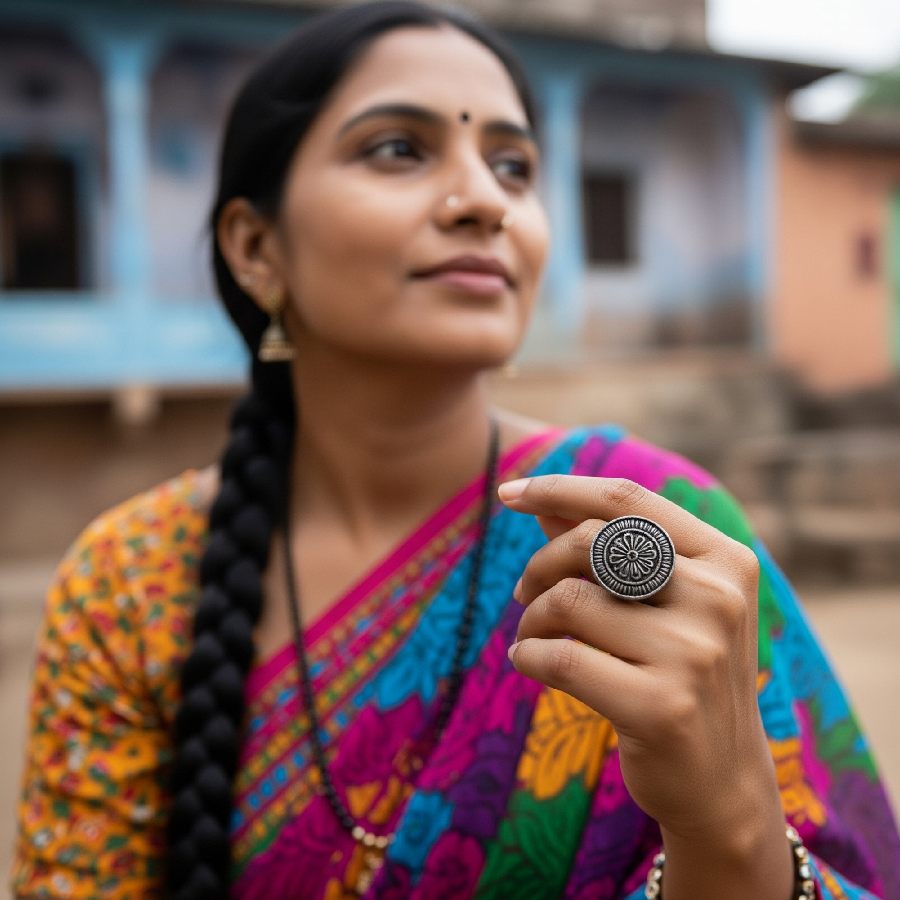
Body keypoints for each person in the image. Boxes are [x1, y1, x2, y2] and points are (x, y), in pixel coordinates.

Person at [11, 2, 900, 898]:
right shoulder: (130, 585)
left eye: (514, 166)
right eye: (398, 148)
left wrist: (728, 824)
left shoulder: (656, 527)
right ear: (255, 247)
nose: (484, 200)